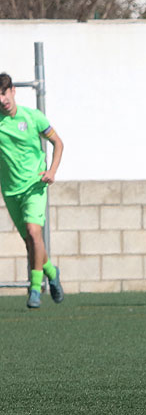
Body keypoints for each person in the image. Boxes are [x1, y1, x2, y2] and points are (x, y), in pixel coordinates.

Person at [0, 72, 65, 308]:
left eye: (4, 92)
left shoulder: (33, 117)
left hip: (35, 186)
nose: (2, 99)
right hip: (10, 190)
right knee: (30, 241)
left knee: (34, 233)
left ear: (13, 91)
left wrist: (52, 170)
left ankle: (35, 289)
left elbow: (58, 142)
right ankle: (51, 271)